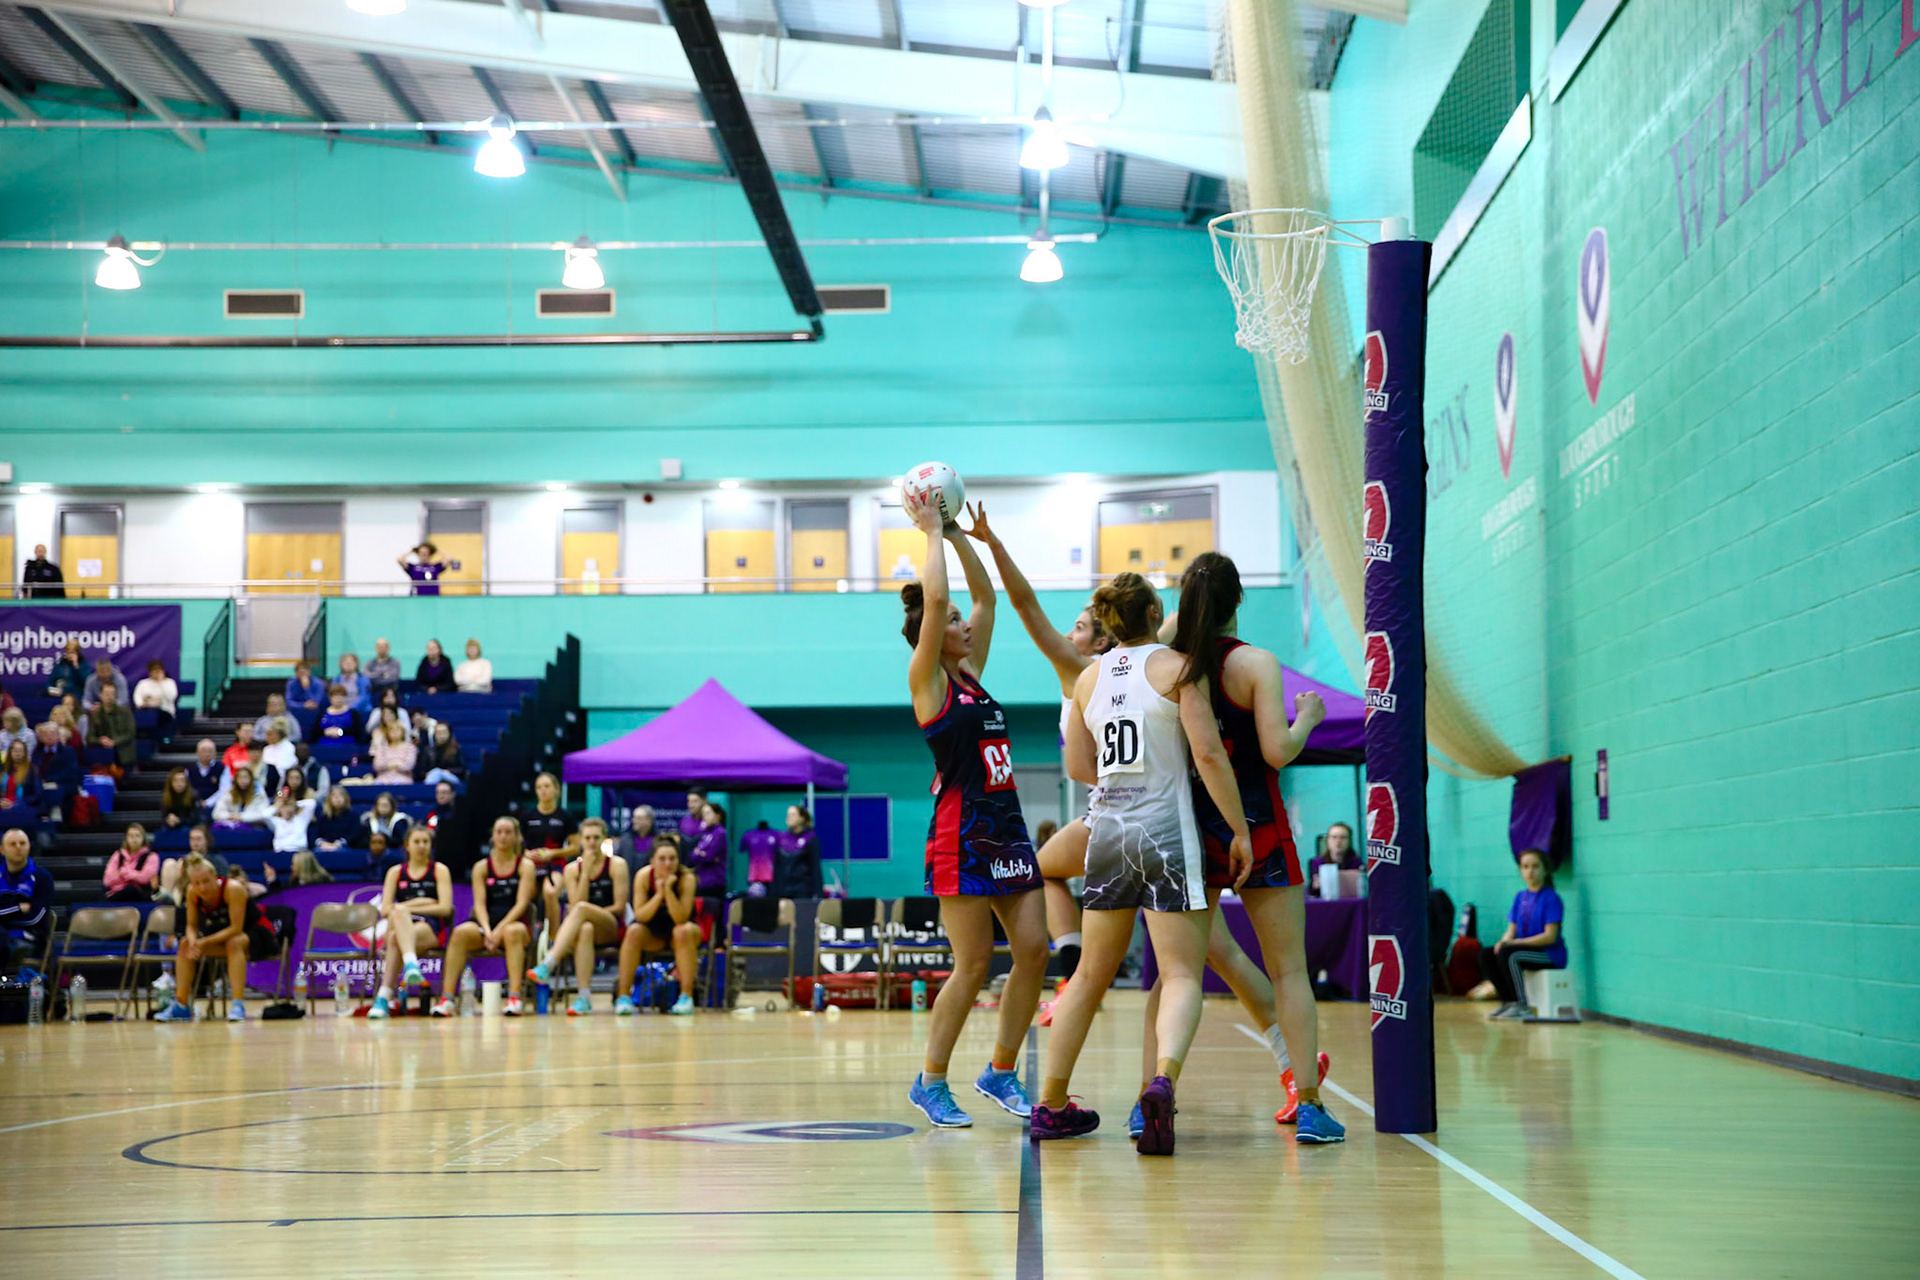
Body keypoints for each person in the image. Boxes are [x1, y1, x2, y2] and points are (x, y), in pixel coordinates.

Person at [1029, 571, 1252, 1155]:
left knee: (1088, 976)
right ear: (1156, 611)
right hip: (1166, 834)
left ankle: (1051, 1103)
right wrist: (1238, 829)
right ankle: (1162, 1082)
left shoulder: (1088, 679)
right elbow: (1208, 755)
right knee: (1180, 974)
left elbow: (1079, 767)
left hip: (1108, 834)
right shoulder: (1179, 668)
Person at [1153, 551, 1343, 1141]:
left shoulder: (1173, 663)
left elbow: (1166, 633)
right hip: (1257, 827)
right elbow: (1277, 752)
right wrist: (1308, 717)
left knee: (1177, 976)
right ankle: (1309, 1105)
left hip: (1193, 831)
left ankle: (1154, 1092)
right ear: (1239, 600)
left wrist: (1186, 607)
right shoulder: (1257, 662)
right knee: (1289, 972)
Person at [897, 491, 1049, 1130]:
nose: (963, 622)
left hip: (1006, 828)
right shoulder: (927, 682)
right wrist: (931, 531)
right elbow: (937, 602)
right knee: (975, 963)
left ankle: (1000, 1071)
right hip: (959, 833)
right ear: (933, 638)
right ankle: (930, 1081)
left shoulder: (972, 675)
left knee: (1035, 949)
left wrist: (961, 533)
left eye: (961, 620)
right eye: (952, 621)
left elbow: (985, 599)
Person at [960, 505, 1120, 1006]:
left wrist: (994, 544)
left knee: (1040, 871)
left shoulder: (1079, 668)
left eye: (1079, 627)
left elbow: (1025, 605)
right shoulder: (1146, 666)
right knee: (1190, 960)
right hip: (1153, 816)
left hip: (1109, 813)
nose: (1070, 634)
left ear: (1100, 641)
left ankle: (1070, 970)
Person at [153, 852, 276, 1022]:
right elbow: (191, 926)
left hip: (257, 934)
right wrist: (194, 942)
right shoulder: (192, 892)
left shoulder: (233, 889)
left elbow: (236, 929)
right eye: (196, 883)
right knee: (185, 944)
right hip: (223, 935)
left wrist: (204, 942)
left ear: (215, 876)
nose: (202, 887)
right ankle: (181, 1006)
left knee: (234, 943)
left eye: (206, 881)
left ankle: (238, 1005)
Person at [528, 818, 629, 1016]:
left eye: (596, 838)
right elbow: (576, 903)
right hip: (585, 927)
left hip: (611, 925)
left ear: (604, 839)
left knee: (582, 909)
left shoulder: (617, 865)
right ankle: (584, 998)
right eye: (587, 838)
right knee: (585, 929)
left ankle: (550, 962)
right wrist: (585, 874)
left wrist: (590, 911)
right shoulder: (572, 869)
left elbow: (619, 907)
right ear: (581, 840)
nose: (591, 842)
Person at [437, 817, 536, 1017]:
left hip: (514, 923)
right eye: (499, 832)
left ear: (517, 837)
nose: (503, 836)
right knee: (460, 933)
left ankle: (515, 997)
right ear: (492, 836)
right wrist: (488, 930)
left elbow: (522, 904)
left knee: (512, 932)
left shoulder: (525, 866)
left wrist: (499, 930)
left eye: (508, 832)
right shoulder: (481, 867)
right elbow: (479, 904)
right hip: (486, 924)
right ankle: (447, 998)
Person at [367, 828, 454, 1019]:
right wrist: (422, 903)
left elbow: (445, 908)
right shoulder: (395, 872)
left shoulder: (439, 870)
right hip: (401, 924)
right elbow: (385, 910)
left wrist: (406, 907)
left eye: (425, 842)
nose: (421, 846)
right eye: (417, 842)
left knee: (395, 934)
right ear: (407, 845)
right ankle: (410, 965)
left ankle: (383, 999)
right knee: (397, 921)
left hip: (430, 927)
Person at [613, 836, 702, 1015]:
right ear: (653, 861)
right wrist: (658, 895)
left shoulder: (687, 878)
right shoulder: (643, 876)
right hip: (653, 933)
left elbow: (681, 918)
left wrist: (668, 891)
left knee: (682, 931)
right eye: (662, 859)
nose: (668, 864)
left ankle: (686, 996)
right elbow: (640, 915)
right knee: (633, 931)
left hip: (682, 934)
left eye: (672, 859)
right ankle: (623, 996)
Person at [1482, 848, 1567, 1018]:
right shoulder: (1520, 897)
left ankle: (1522, 1005)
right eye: (1525, 867)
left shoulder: (1551, 898)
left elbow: (1550, 937)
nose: (1530, 871)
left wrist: (1514, 943)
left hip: (1549, 954)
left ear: (1545, 870)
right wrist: (1503, 942)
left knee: (1511, 955)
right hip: (1524, 948)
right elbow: (1511, 930)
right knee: (1487, 954)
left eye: (1535, 866)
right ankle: (1508, 1002)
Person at [516, 771, 579, 937]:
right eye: (539, 787)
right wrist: (526, 854)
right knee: (524, 895)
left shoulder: (565, 817)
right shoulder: (527, 816)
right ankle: (526, 935)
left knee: (550, 893)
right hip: (530, 865)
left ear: (556, 789)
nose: (543, 790)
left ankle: (554, 938)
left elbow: (575, 847)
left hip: (555, 864)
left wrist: (552, 853)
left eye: (547, 786)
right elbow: (517, 846)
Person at [0, 828, 53, 972]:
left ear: (29, 847)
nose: (18, 847)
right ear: (2, 850)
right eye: (12, 844)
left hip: (31, 936)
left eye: (22, 843)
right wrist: (18, 909)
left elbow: (35, 919)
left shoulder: (42, 877)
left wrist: (4, 918)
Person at [774, 803, 823, 900]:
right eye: (788, 815)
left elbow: (815, 867)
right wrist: (774, 891)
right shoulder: (781, 838)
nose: (789, 818)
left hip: (803, 890)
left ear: (801, 818)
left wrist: (818, 893)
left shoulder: (810, 839)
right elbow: (777, 867)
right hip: (783, 890)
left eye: (793, 815)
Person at [103, 823, 159, 902]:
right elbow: (107, 880)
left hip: (140, 893)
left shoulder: (151, 856)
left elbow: (146, 878)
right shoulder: (118, 855)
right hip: (117, 891)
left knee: (130, 889)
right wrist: (134, 876)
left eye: (137, 836)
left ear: (143, 838)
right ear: (126, 838)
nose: (134, 839)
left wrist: (123, 873)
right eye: (131, 836)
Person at [688, 801, 729, 896]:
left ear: (717, 815)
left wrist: (700, 853)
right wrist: (700, 854)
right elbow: (693, 856)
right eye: (703, 814)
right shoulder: (705, 834)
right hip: (701, 881)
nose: (705, 817)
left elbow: (710, 857)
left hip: (715, 881)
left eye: (708, 813)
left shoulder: (720, 833)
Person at [1307, 822, 1360, 897]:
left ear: (1350, 841)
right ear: (1327, 841)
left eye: (1343, 837)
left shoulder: (1358, 864)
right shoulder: (1316, 863)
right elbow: (1312, 892)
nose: (1338, 841)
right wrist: (1315, 885)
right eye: (1334, 837)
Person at [93, 682, 137, 770]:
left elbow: (130, 732)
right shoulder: (95, 714)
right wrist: (100, 740)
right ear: (101, 695)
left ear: (116, 696)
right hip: (102, 754)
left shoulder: (125, 712)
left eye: (112, 694)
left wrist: (114, 742)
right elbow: (89, 737)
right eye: (106, 694)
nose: (109, 697)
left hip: (123, 753)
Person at [133, 660, 179, 738]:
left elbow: (171, 697)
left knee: (158, 716)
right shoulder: (143, 683)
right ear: (150, 672)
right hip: (146, 710)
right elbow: (137, 697)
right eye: (154, 670)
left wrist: (161, 683)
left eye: (159, 670)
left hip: (165, 711)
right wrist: (142, 704)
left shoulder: (169, 683)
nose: (156, 672)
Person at [0, 739, 39, 830]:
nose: (18, 754)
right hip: (3, 804)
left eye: (21, 751)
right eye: (15, 751)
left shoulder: (32, 770)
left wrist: (16, 803)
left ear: (25, 753)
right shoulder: (2, 769)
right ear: (10, 752)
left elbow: (37, 794)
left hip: (24, 804)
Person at [267, 788, 316, 859]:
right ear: (280, 809)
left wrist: (294, 803)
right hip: (281, 853)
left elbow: (312, 803)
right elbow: (265, 815)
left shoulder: (301, 819)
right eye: (284, 807)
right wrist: (278, 804)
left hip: (300, 853)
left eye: (289, 807)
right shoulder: (276, 821)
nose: (287, 810)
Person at [311, 786, 357, 859]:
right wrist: (322, 843)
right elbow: (316, 834)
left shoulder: (352, 815)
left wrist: (338, 843)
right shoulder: (323, 816)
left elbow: (354, 834)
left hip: (344, 846)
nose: (337, 798)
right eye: (334, 796)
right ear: (329, 799)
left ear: (345, 798)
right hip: (324, 845)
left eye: (340, 795)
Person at [367, 718, 417, 784]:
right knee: (377, 783)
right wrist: (395, 763)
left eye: (397, 730)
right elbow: (377, 765)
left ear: (402, 732)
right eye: (392, 730)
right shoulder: (382, 748)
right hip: (383, 777)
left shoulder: (410, 748)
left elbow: (409, 765)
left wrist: (391, 764)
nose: (394, 732)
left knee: (397, 783)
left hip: (403, 778)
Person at [259, 719, 297, 793]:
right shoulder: (266, 749)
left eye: (270, 734)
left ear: (278, 734)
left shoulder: (289, 748)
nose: (267, 737)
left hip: (281, 784)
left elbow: (284, 768)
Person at [185, 739, 223, 804]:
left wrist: (208, 802)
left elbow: (224, 790)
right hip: (194, 804)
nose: (207, 754)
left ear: (215, 753)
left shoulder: (223, 769)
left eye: (210, 751)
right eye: (204, 751)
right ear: (197, 752)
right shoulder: (189, 770)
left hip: (217, 804)